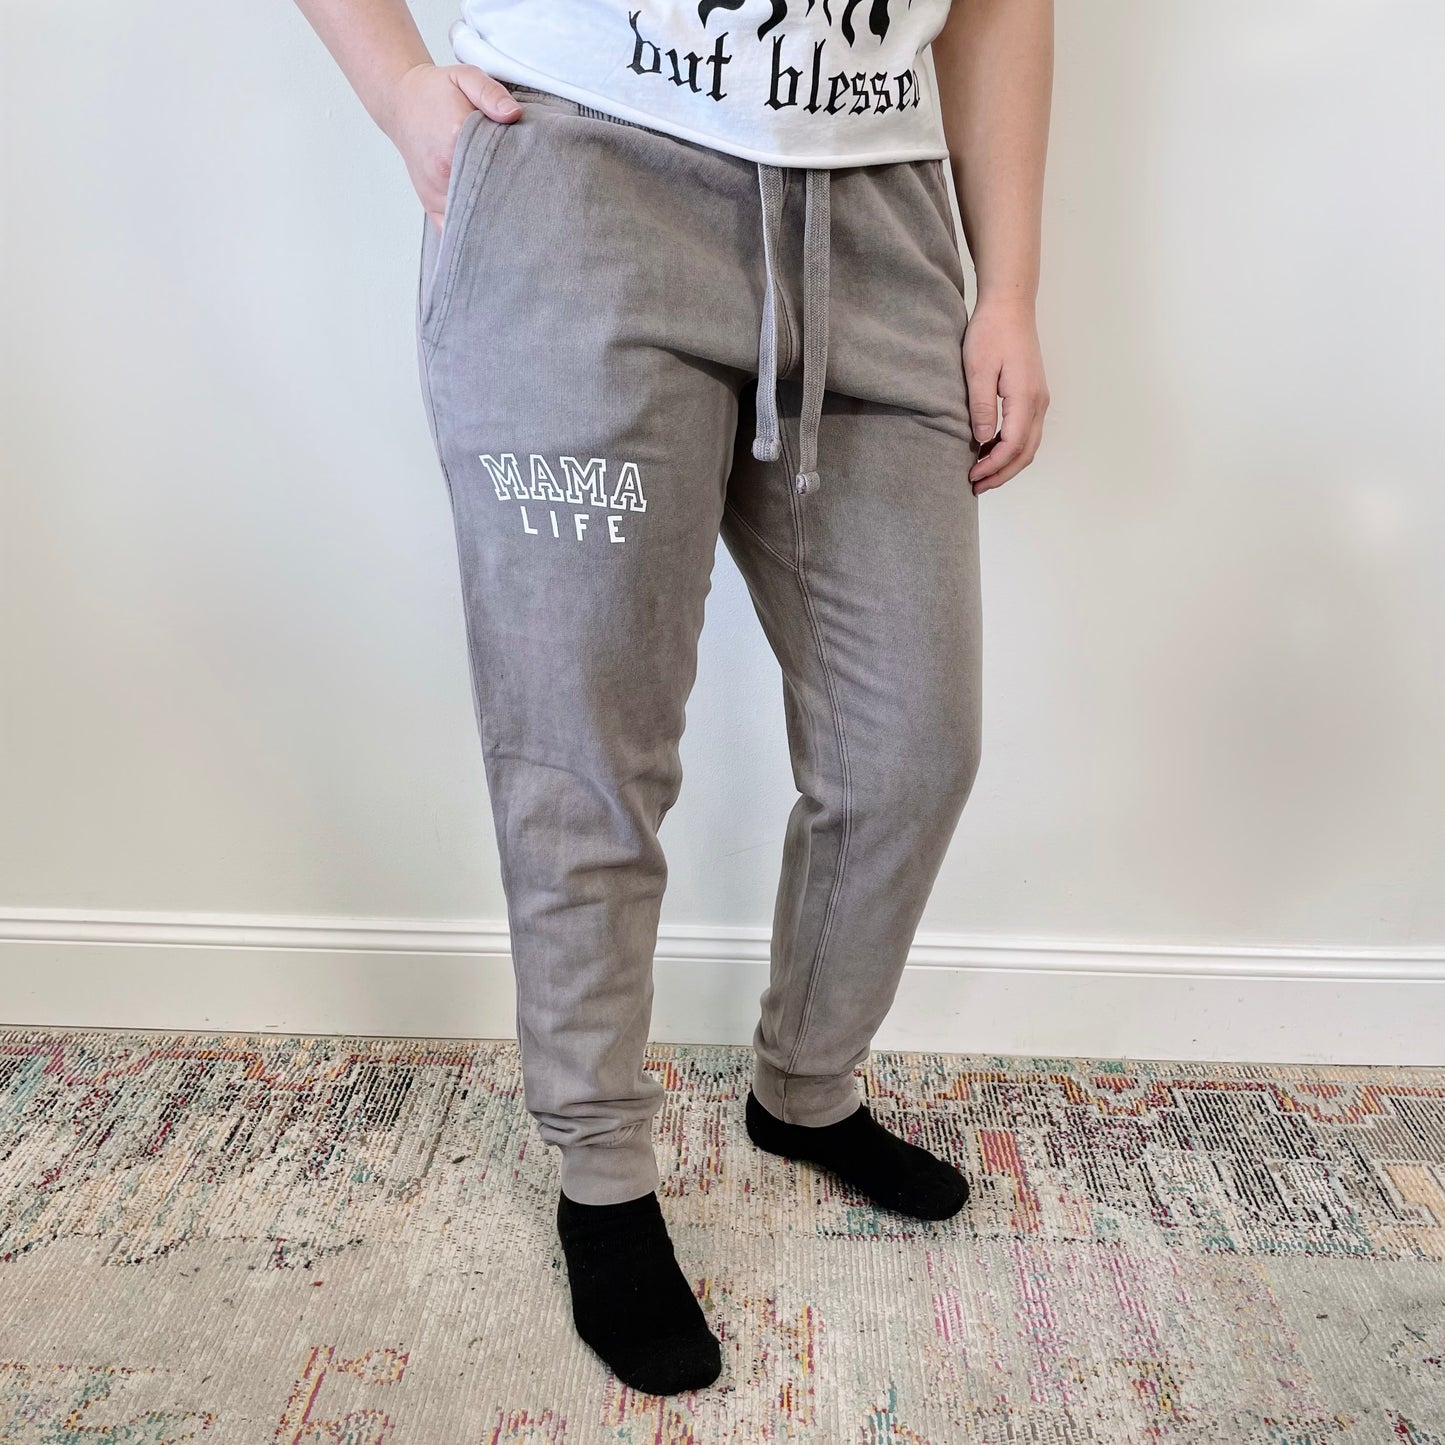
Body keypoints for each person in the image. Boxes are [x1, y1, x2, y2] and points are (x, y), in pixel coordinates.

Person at [293, 0, 1051, 1399]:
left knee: (912, 748)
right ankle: (601, 1174)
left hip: (879, 220)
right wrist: (402, 88)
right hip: (584, 183)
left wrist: (1005, 287)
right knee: (587, 754)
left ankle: (805, 1090)